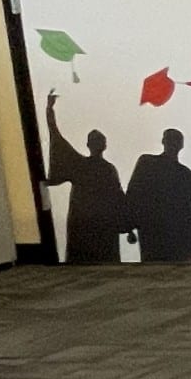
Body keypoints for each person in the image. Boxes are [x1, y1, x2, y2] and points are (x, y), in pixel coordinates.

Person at [41, 92, 131, 263]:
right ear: (104, 146)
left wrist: (49, 109)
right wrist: (128, 226)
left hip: (84, 223)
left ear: (89, 145)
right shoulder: (107, 169)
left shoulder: (80, 166)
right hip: (102, 225)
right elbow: (118, 198)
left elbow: (56, 136)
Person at [122, 127, 191, 264]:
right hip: (159, 235)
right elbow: (134, 194)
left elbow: (133, 194)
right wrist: (128, 226)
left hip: (167, 236)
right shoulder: (184, 174)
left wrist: (128, 226)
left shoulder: (150, 165)